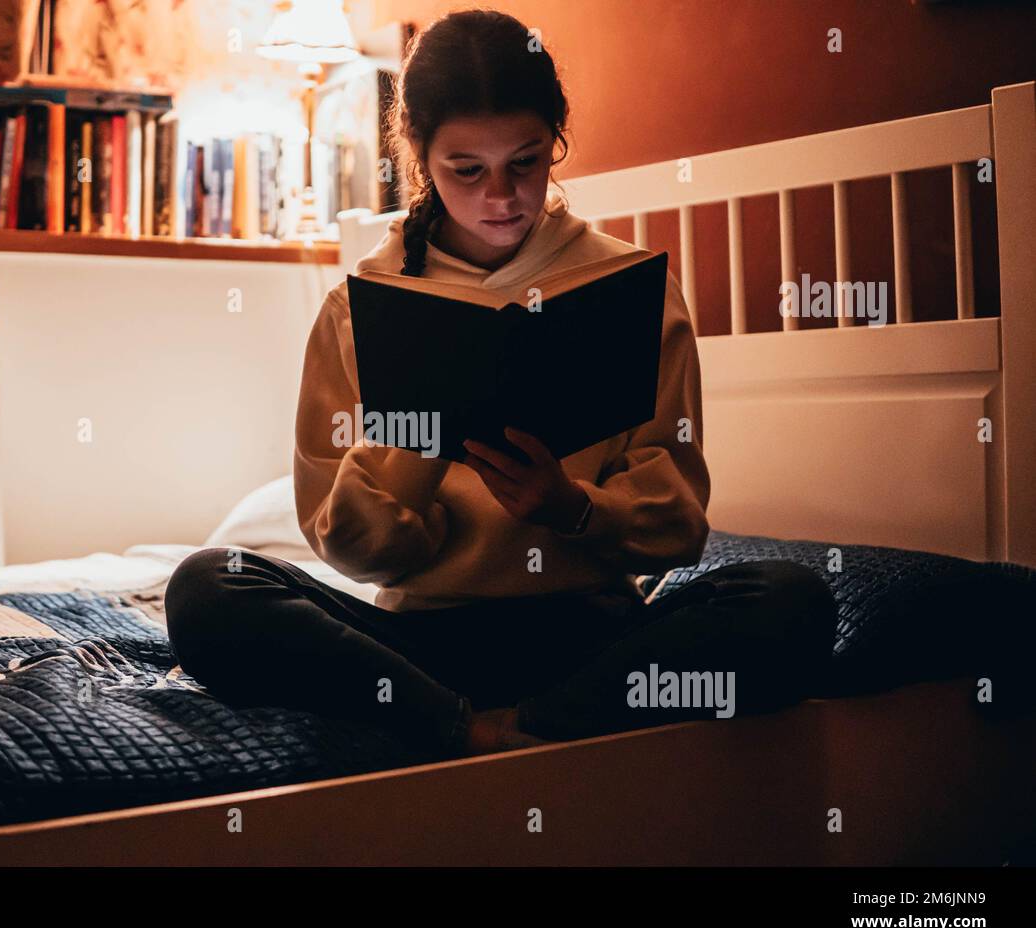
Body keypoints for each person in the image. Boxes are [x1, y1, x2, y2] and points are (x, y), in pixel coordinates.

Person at [164, 9, 837, 758]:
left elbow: (678, 528)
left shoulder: (632, 290)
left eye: (526, 160)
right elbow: (349, 548)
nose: (503, 196)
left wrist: (574, 509)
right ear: (418, 154)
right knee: (207, 588)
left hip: (593, 639)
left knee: (792, 599)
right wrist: (418, 458)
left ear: (556, 138)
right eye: (467, 170)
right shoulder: (361, 306)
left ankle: (505, 729)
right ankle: (478, 726)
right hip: (418, 646)